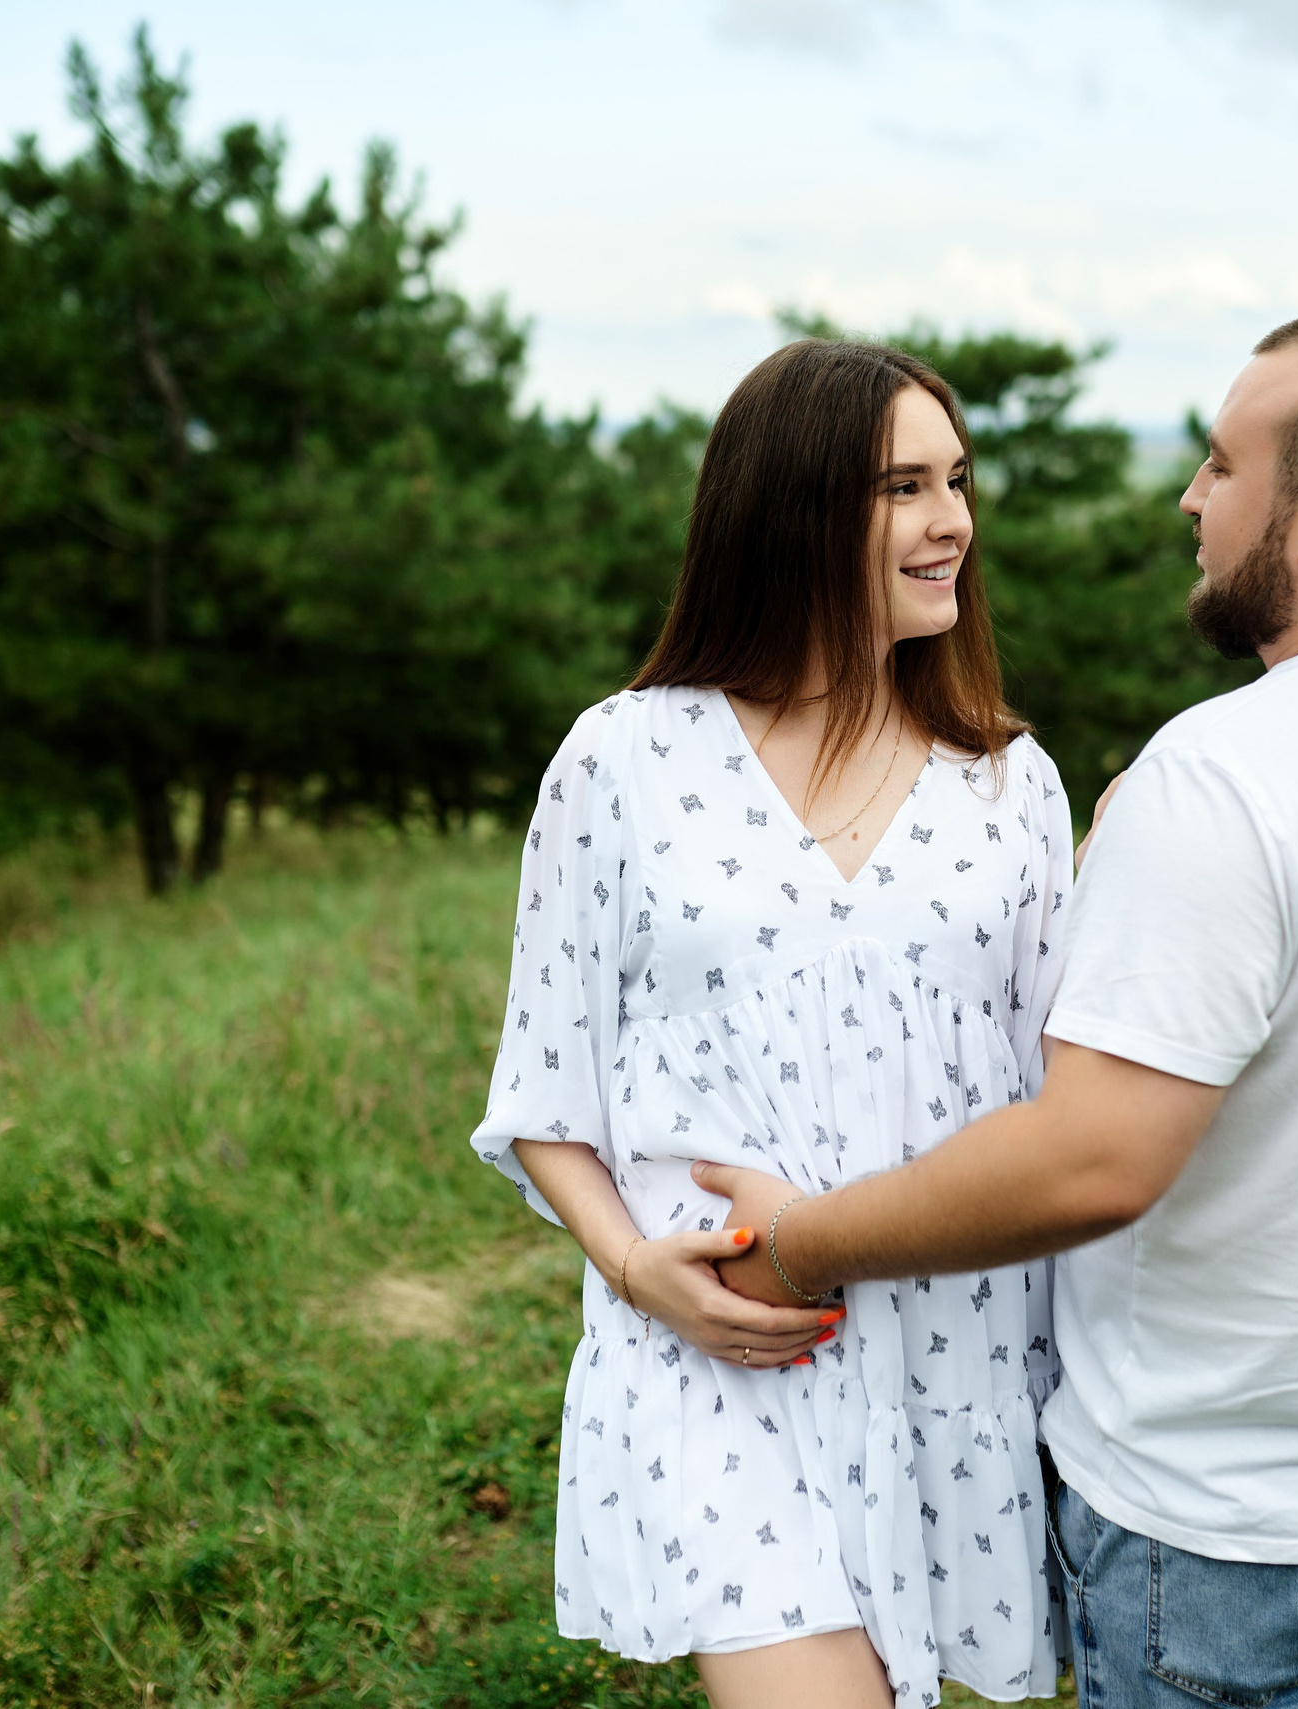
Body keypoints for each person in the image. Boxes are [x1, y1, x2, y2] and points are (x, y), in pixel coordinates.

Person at [697, 307, 1298, 1708]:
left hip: (1234, 1513)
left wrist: (800, 1246)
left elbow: (1097, 1160)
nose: (1192, 498)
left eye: (1218, 465)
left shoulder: (1226, 774)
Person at [468, 338, 1075, 1709]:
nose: (954, 524)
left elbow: (1068, 1102)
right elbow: (546, 1085)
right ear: (791, 508)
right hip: (717, 1347)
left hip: (957, 1346)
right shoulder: (622, 760)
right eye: (903, 488)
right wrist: (633, 1267)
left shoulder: (1011, 784)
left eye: (960, 481)